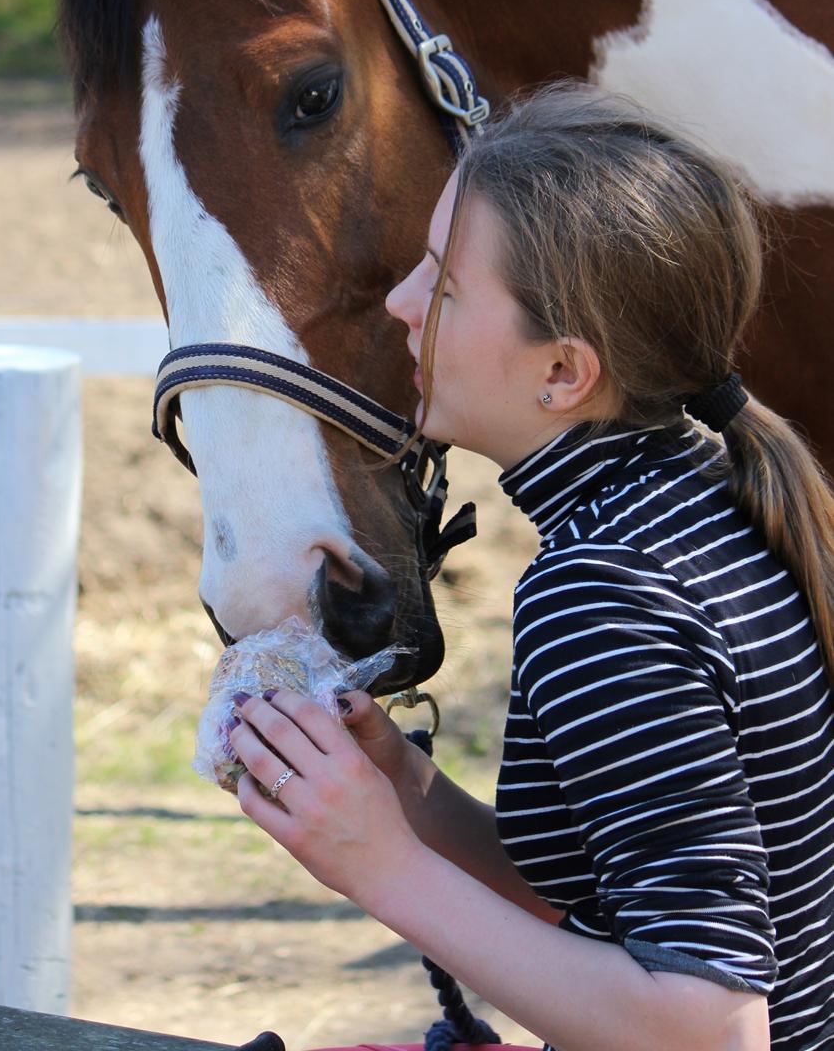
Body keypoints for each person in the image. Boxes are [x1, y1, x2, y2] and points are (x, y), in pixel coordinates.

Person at [226, 84, 834, 1051]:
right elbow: (613, 875)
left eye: (444, 285)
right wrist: (400, 793)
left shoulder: (604, 590)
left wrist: (382, 868)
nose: (399, 304)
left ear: (563, 373)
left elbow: (710, 1031)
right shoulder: (703, 495)